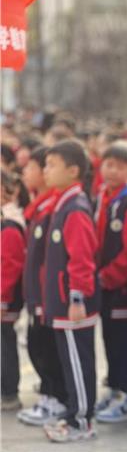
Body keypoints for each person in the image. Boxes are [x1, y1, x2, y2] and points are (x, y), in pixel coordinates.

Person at [41, 139, 100, 442]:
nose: (45, 171)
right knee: (70, 360)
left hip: (72, 304)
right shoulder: (62, 203)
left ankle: (83, 420)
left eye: (52, 165)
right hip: (62, 303)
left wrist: (77, 296)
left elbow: (82, 258)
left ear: (73, 170)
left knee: (79, 362)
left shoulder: (75, 208)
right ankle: (75, 411)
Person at [94, 141, 127, 423]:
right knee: (109, 341)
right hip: (105, 287)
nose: (112, 171)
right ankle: (114, 389)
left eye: (120, 166)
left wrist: (107, 276)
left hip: (121, 289)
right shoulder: (104, 197)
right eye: (108, 164)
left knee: (124, 343)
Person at [18, 146, 67, 425]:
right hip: (37, 292)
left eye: (34, 167)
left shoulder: (54, 207)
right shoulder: (41, 204)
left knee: (46, 348)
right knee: (38, 346)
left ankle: (57, 398)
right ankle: (49, 395)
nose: (29, 173)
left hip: (48, 294)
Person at [1, 169, 26, 412]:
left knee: (5, 344)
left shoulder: (9, 225)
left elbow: (9, 267)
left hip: (5, 299)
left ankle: (9, 392)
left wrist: (3, 299)